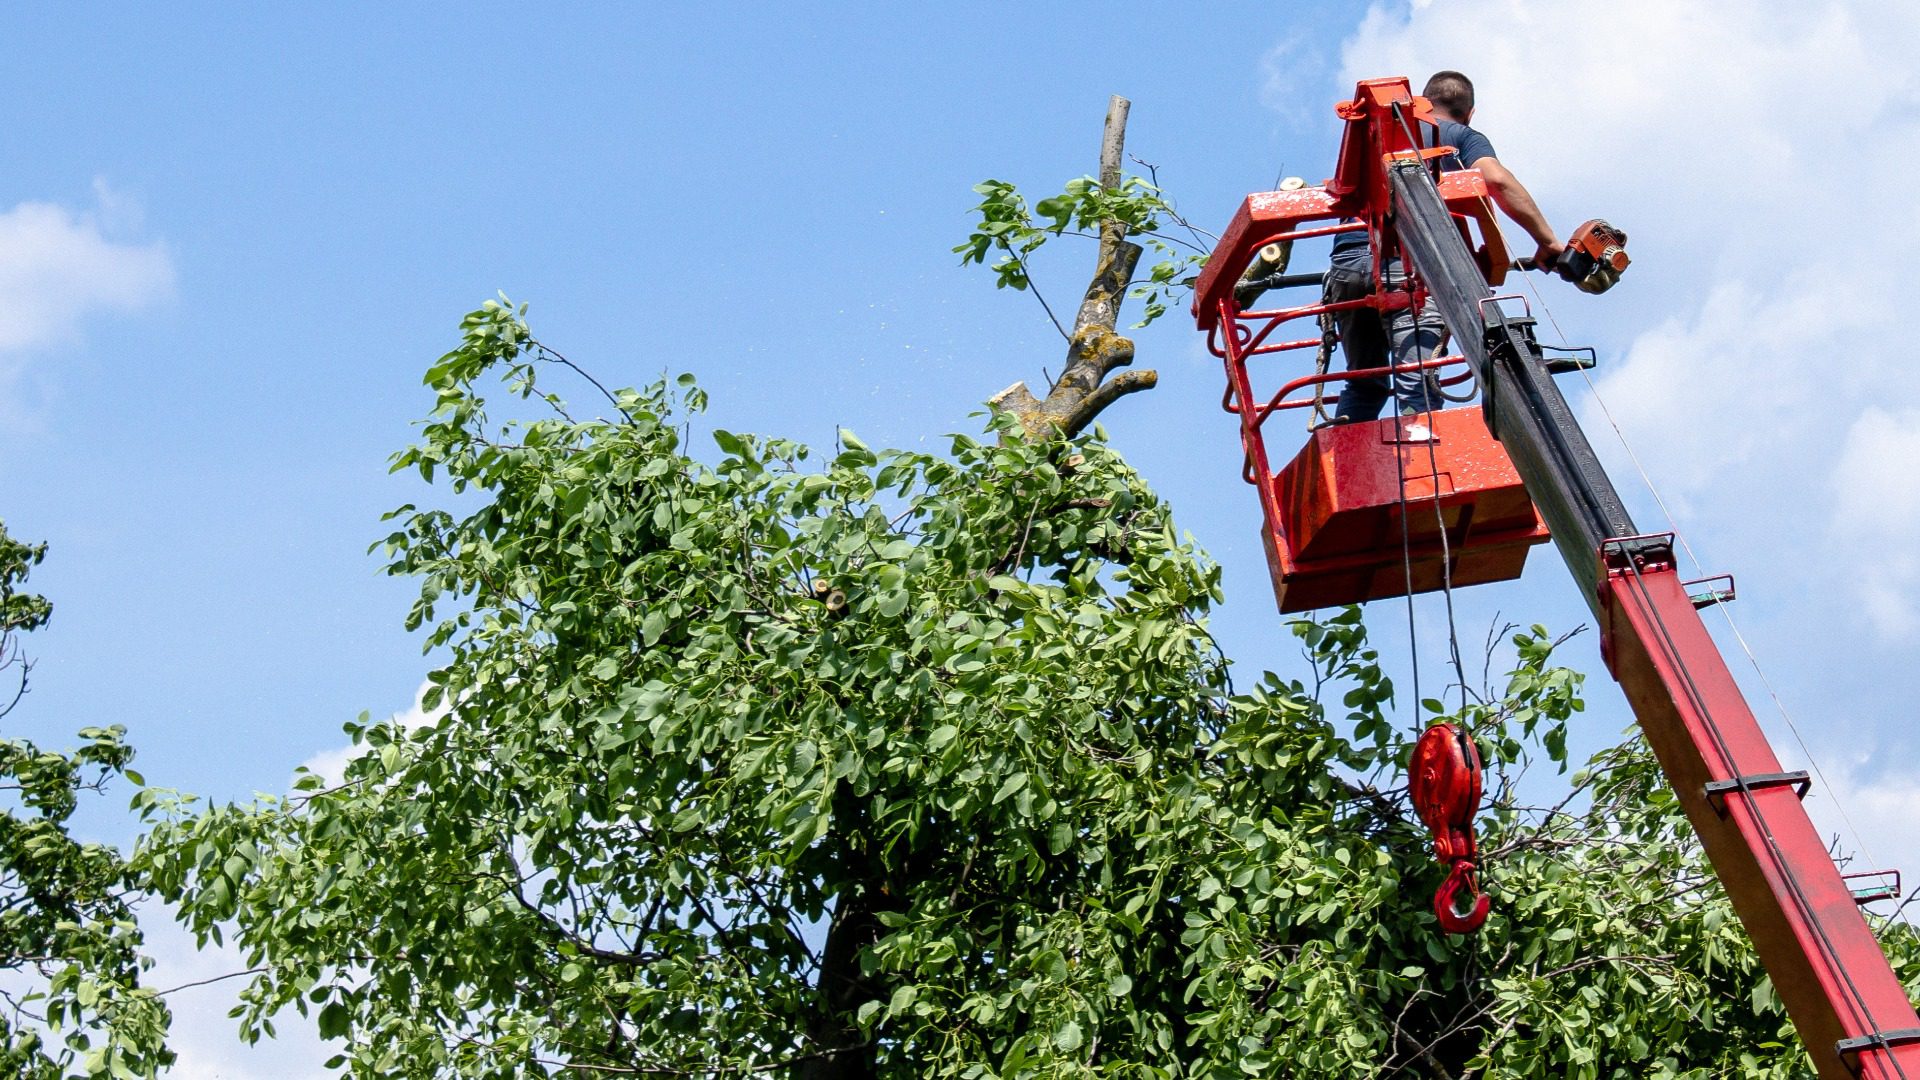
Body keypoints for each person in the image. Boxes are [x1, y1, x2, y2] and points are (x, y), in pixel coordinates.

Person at [1326, 70, 1567, 422]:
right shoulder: (1459, 135)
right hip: (1406, 267)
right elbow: (1495, 179)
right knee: (1418, 384)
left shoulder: (1376, 137)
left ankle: (1346, 460)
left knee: (1365, 384)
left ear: (1426, 100)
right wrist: (1548, 242)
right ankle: (1421, 459)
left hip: (1346, 268)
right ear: (1469, 112)